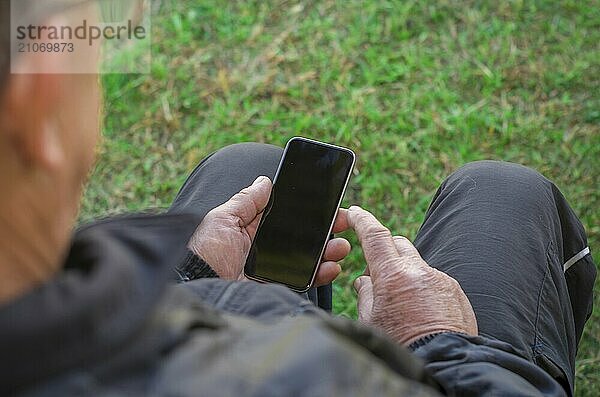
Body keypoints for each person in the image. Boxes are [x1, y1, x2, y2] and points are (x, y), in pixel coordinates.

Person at [0, 1, 596, 396]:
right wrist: (439, 344)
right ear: (39, 101)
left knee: (246, 165)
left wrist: (191, 275)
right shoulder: (317, 376)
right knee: (505, 192)